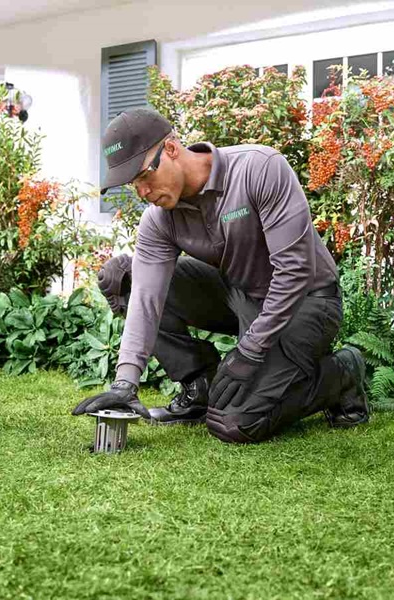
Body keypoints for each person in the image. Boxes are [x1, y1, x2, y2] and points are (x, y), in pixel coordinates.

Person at [71, 107, 369, 444]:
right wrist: (125, 382)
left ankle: (342, 373)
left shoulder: (259, 169)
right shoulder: (159, 219)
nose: (142, 192)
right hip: (239, 292)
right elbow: (145, 299)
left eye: (144, 176)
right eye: (132, 184)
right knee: (122, 279)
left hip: (308, 301)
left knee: (235, 424)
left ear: (170, 149)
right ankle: (200, 388)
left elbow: (295, 271)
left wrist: (251, 350)